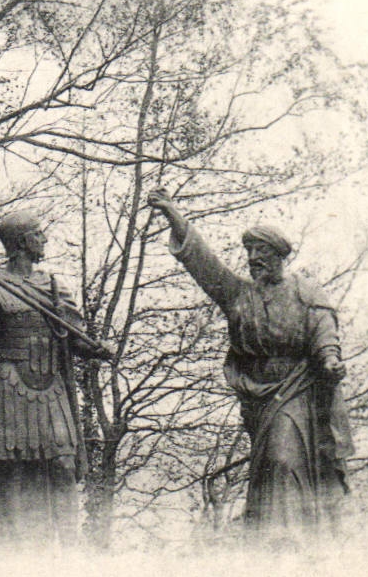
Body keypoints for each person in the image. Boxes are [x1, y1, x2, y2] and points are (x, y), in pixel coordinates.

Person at [147, 191, 352, 538]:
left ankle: (287, 537)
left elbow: (324, 333)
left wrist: (330, 361)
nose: (254, 258)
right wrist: (174, 217)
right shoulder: (240, 295)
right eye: (250, 252)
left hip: (296, 388)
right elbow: (203, 264)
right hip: (256, 396)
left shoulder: (305, 292)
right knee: (269, 465)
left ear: (279, 256)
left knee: (283, 458)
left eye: (262, 251)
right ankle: (270, 536)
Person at [0, 210, 113, 546]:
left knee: (64, 464)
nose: (45, 240)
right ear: (22, 242)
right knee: (12, 471)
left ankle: (70, 548)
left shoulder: (53, 286)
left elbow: (73, 335)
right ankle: (13, 548)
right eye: (38, 234)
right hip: (7, 383)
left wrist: (96, 349)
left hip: (50, 385)